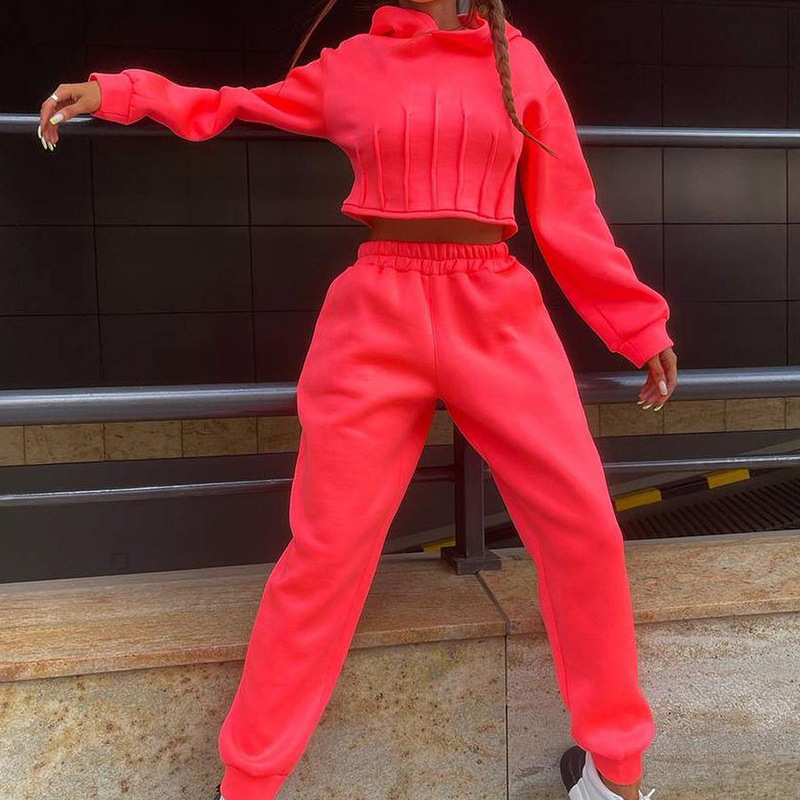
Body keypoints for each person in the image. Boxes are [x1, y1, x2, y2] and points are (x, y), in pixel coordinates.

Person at [37, 1, 677, 798]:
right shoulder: (353, 63)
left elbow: (568, 208)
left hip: (499, 315)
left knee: (587, 531)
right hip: (375, 316)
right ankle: (247, 785)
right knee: (325, 554)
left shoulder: (521, 62)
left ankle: (615, 777)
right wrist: (121, 93)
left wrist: (637, 324)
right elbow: (232, 103)